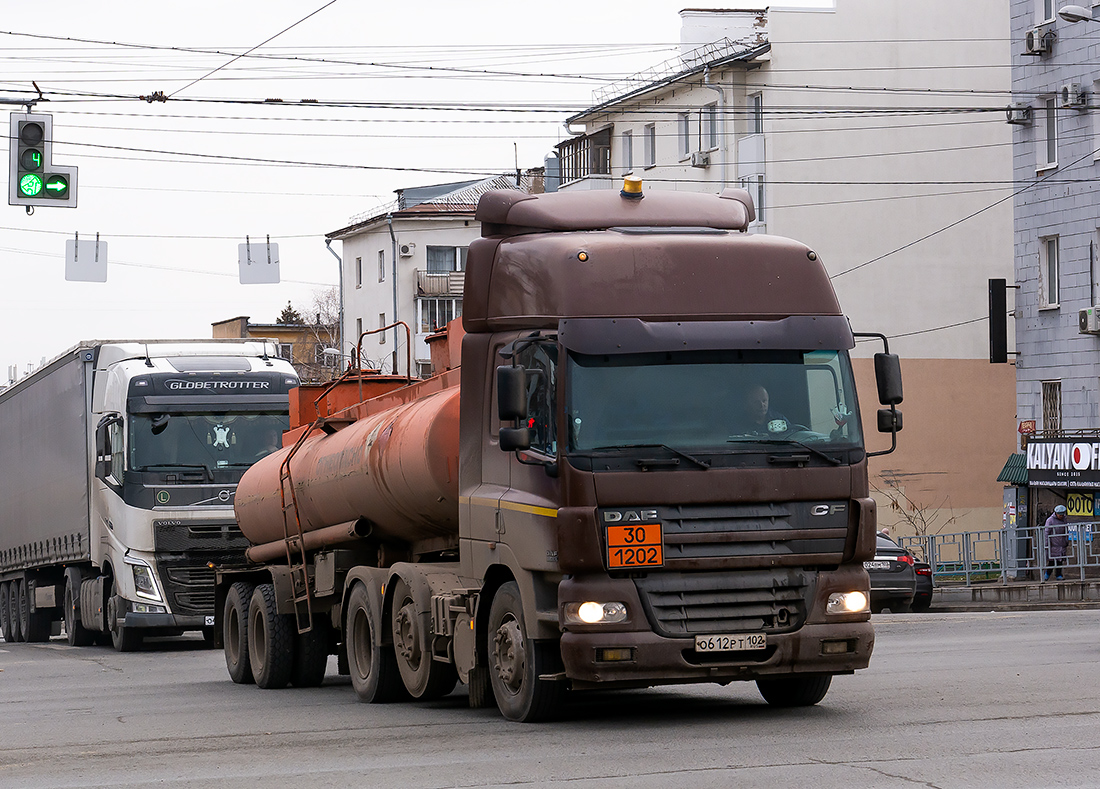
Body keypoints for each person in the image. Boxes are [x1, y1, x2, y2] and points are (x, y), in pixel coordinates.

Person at [1044, 505, 1069, 581]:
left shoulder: (1064, 519)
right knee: (1052, 561)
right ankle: (1047, 575)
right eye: (1059, 515)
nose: (1061, 516)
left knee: (1060, 561)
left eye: (1062, 514)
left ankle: (1058, 575)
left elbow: (1066, 530)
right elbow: (1046, 533)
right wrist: (1046, 544)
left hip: (1061, 543)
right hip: (1053, 544)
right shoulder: (1050, 520)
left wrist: (1066, 541)